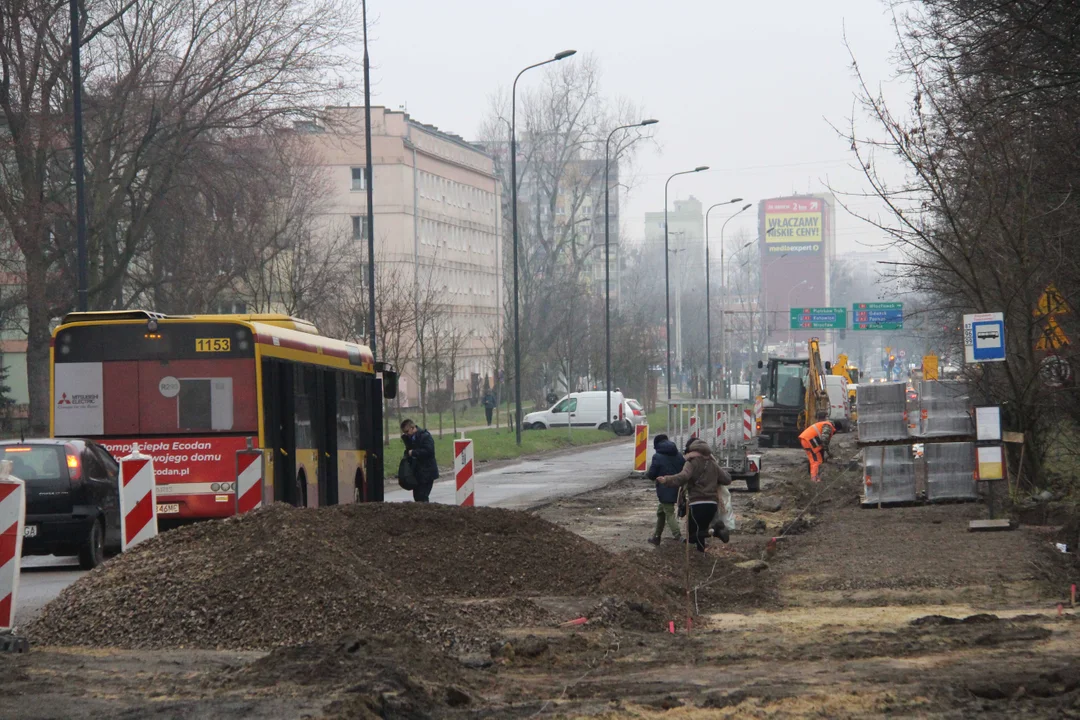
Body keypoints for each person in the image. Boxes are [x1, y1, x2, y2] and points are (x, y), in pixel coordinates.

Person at [658, 439, 731, 552]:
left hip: (697, 504)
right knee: (700, 531)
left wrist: (666, 480)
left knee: (692, 535)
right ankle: (701, 554)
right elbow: (727, 479)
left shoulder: (691, 462)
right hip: (712, 504)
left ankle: (715, 533)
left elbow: (683, 477)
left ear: (692, 450)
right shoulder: (713, 463)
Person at [645, 434, 684, 545]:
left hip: (664, 489)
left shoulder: (657, 456)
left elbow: (652, 474)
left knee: (669, 513)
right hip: (677, 487)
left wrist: (648, 475)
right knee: (661, 513)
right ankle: (656, 537)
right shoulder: (678, 455)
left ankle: (678, 536)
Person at [401, 419, 439, 502]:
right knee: (417, 497)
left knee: (422, 496)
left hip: (427, 472)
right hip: (417, 473)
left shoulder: (425, 436)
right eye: (404, 432)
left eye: (407, 431)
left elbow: (429, 451)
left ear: (412, 428)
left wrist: (414, 452)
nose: (406, 434)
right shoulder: (409, 438)